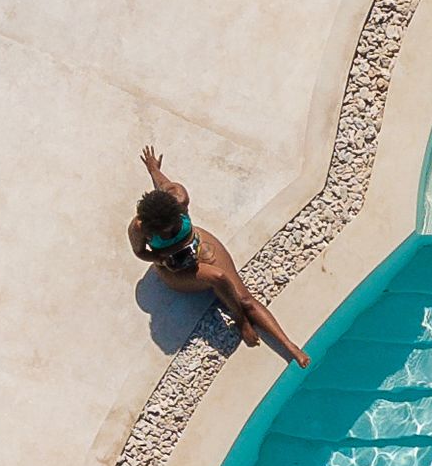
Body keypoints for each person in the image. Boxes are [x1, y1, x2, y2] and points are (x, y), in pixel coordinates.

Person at [130, 146, 308, 368]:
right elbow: (140, 253)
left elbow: (164, 184)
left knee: (244, 297)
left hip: (199, 244)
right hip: (175, 269)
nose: (169, 233)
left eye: (172, 226)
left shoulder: (179, 197)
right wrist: (161, 257)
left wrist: (153, 169)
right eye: (163, 232)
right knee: (218, 277)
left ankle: (289, 346)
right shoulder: (139, 227)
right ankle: (241, 320)